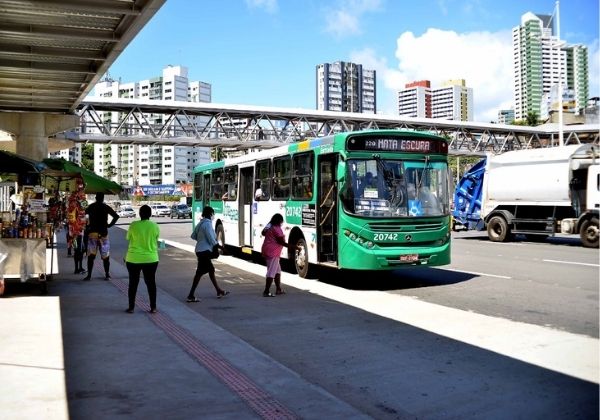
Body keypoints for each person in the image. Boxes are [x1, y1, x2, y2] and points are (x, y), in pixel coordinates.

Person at [187, 206, 229, 302]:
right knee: (201, 273)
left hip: (199, 250)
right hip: (204, 252)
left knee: (210, 271)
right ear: (210, 214)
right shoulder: (208, 224)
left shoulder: (200, 223)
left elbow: (193, 236)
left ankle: (219, 291)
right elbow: (212, 239)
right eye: (212, 214)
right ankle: (191, 295)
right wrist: (221, 247)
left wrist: (201, 240)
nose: (213, 216)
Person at [124, 205, 160, 314]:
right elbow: (156, 238)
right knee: (151, 283)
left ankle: (131, 307)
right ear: (150, 214)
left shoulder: (133, 225)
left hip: (133, 258)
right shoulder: (155, 226)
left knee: (133, 283)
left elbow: (128, 238)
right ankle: (153, 307)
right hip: (151, 258)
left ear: (139, 214)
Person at [83, 192, 119, 281]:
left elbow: (84, 215)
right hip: (103, 234)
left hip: (92, 233)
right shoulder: (105, 207)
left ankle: (89, 276)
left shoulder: (91, 206)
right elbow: (116, 216)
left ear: (96, 197)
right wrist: (109, 225)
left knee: (91, 256)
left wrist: (87, 226)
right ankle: (107, 274)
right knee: (106, 256)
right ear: (103, 198)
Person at [261, 213, 290, 297]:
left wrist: (268, 225)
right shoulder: (277, 229)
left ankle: (278, 289)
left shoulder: (270, 226)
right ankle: (266, 291)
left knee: (277, 271)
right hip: (273, 252)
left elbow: (263, 233)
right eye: (281, 221)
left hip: (268, 250)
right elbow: (281, 242)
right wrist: (294, 247)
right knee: (271, 272)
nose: (282, 222)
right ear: (279, 221)